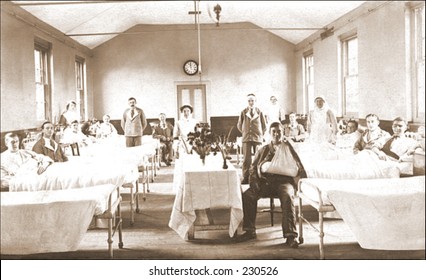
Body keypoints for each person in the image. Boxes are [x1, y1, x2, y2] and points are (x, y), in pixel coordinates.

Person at [236, 122, 303, 248]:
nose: (277, 134)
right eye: (274, 132)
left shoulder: (289, 149)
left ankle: (290, 235)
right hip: (265, 182)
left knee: (288, 197)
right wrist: (254, 183)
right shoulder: (263, 149)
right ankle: (250, 231)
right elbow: (253, 168)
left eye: (279, 131)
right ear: (270, 134)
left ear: (283, 132)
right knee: (248, 195)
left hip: (284, 182)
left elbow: (298, 166)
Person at [237, 93, 267, 184]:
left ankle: (258, 178)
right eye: (249, 101)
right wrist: (245, 132)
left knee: (259, 158)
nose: (251, 102)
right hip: (247, 138)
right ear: (247, 102)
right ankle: (246, 178)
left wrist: (259, 134)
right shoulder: (243, 112)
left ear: (255, 101)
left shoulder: (259, 112)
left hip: (257, 138)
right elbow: (239, 125)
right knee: (247, 159)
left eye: (252, 101)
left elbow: (264, 126)